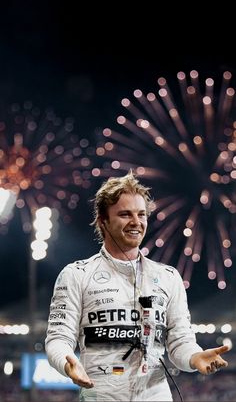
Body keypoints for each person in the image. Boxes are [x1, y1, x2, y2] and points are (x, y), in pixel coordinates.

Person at [45, 171, 229, 401]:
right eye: (125, 214)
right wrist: (65, 362)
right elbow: (58, 339)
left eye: (141, 214)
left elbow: (180, 341)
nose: (136, 222)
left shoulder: (168, 277)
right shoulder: (76, 275)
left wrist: (195, 357)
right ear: (103, 220)